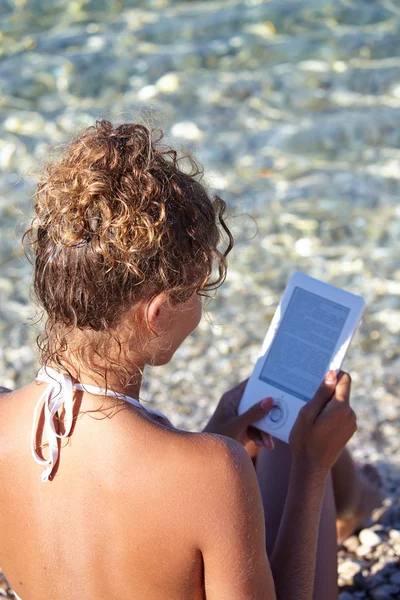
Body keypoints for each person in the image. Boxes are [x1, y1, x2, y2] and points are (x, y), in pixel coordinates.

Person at [0, 120, 382, 600]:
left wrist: (213, 434)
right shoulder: (214, 472)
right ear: (157, 312)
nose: (200, 308)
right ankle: (354, 496)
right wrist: (310, 469)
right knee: (295, 433)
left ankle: (357, 498)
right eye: (199, 292)